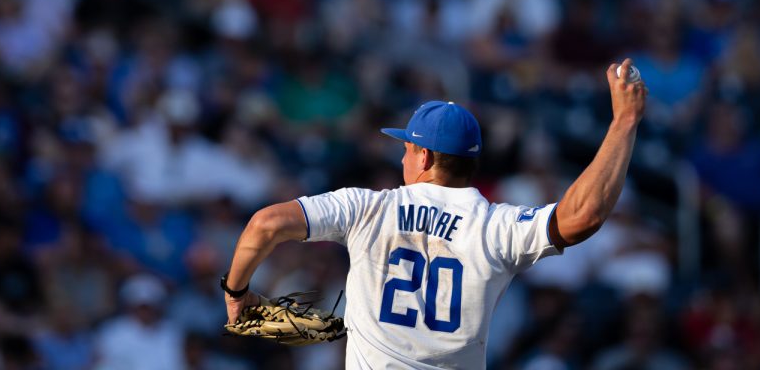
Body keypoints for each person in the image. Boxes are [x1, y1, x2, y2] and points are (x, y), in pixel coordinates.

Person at [222, 59, 647, 368]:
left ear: (423, 156)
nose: (402, 157)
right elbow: (584, 215)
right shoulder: (494, 227)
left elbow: (266, 224)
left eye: (407, 148)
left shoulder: (367, 208)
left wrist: (237, 295)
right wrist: (623, 123)